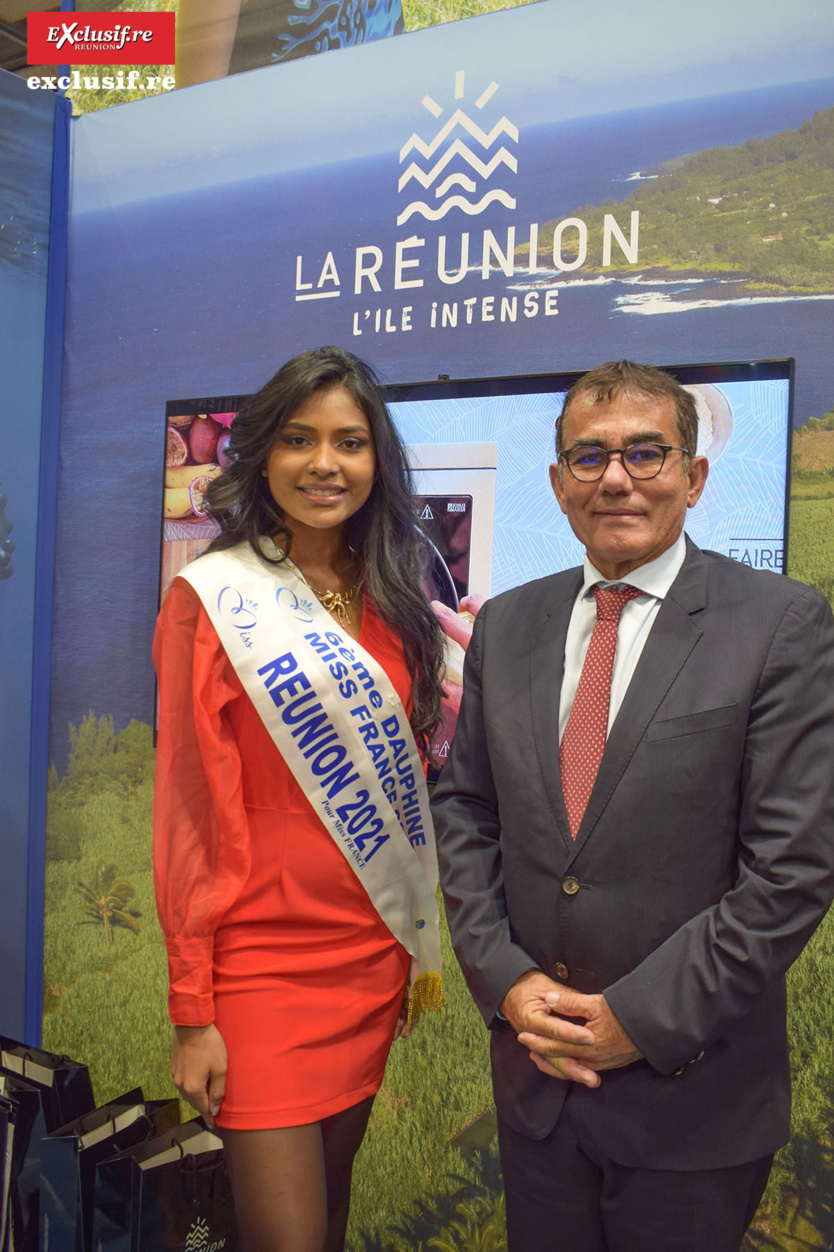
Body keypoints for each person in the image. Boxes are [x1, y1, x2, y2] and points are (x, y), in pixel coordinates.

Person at [431, 359, 834, 1251]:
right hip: (538, 1090)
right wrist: (505, 981)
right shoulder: (510, 624)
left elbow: (793, 870)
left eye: (647, 454)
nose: (615, 476)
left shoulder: (779, 624)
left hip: (692, 1102)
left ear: (693, 477)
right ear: (558, 485)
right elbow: (467, 813)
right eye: (590, 456)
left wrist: (636, 1022)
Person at [153, 346, 446, 1252]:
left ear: (377, 460)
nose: (326, 464)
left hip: (367, 952)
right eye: (299, 439)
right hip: (260, 966)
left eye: (350, 442)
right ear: (262, 457)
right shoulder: (211, 599)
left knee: (328, 1212)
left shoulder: (397, 602)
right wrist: (193, 1010)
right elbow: (188, 814)